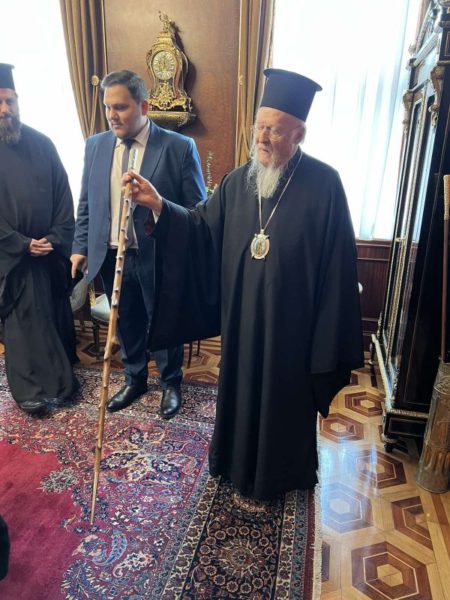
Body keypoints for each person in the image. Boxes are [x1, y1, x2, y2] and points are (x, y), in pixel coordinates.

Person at [124, 68, 365, 500]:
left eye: (275, 130)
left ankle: (280, 474)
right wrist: (158, 204)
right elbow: (199, 229)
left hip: (293, 335)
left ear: (299, 135)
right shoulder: (238, 182)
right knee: (240, 394)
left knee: (282, 402)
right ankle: (233, 463)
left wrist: (326, 343)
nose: (263, 138)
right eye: (259, 127)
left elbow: (338, 270)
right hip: (241, 326)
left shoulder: (326, 186)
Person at [71, 70, 206, 419]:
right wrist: (80, 246)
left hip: (158, 255)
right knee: (126, 320)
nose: (111, 115)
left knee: (165, 321)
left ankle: (171, 383)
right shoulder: (96, 145)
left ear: (144, 107)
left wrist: (158, 203)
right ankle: (134, 379)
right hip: (110, 253)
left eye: (120, 107)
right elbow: (86, 202)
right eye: (107, 107)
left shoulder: (178, 147)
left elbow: (197, 211)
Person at [0, 63, 77, 417]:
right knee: (25, 324)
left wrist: (54, 238)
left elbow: (64, 198)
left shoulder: (42, 144)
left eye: (10, 101)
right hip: (12, 260)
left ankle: (60, 384)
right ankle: (30, 391)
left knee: (52, 317)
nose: (6, 109)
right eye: (0, 102)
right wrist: (20, 244)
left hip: (48, 255)